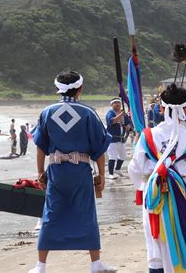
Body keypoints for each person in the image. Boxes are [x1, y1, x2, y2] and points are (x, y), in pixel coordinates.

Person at [29, 70, 115, 273]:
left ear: (57, 89)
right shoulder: (88, 112)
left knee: (50, 214)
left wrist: (40, 172)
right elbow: (99, 148)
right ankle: (96, 264)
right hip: (80, 170)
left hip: (56, 170)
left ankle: (40, 266)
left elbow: (41, 146)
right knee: (86, 214)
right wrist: (101, 176)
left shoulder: (47, 112)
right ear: (80, 88)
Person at [128, 83, 186, 272]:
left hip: (155, 193)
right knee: (183, 240)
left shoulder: (147, 136)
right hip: (185, 193)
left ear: (161, 108)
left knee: (155, 242)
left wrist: (141, 187)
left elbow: (134, 168)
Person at [106, 98, 132, 179]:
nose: (117, 104)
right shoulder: (110, 113)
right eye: (115, 103)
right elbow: (111, 122)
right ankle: (110, 173)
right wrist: (120, 115)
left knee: (123, 156)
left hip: (121, 139)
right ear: (112, 105)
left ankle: (117, 169)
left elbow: (129, 123)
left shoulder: (124, 114)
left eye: (118, 102)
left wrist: (128, 126)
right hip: (112, 139)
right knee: (112, 156)